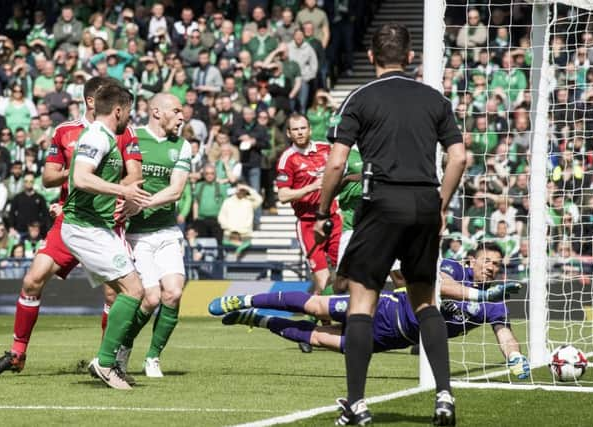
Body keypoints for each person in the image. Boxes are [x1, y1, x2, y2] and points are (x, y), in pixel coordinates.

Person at [313, 23, 466, 425]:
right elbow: (459, 157)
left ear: (371, 57)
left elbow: (335, 163)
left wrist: (322, 209)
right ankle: (445, 396)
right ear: (410, 56)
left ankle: (357, 404)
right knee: (425, 301)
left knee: (362, 301)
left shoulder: (360, 98)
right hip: (423, 202)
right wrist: (441, 203)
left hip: (381, 201)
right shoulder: (435, 98)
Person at [0, 77, 142, 380]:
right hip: (70, 219)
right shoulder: (64, 132)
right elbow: (48, 177)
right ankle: (17, 354)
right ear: (91, 100)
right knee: (33, 279)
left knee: (114, 294)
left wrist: (117, 192)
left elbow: (134, 175)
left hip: (106, 223)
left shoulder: (124, 132)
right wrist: (80, 171)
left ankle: (106, 362)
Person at [209, 244, 529, 381]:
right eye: (487, 260)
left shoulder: (495, 303)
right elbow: (437, 285)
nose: (492, 267)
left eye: (498, 264)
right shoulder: (453, 268)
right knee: (317, 306)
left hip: (393, 339)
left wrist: (514, 358)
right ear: (472, 260)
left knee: (321, 338)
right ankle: (247, 299)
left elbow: (505, 335)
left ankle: (258, 319)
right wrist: (478, 293)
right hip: (385, 310)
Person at [61, 84, 150, 390]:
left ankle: (110, 361)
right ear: (118, 111)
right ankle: (106, 362)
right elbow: (81, 177)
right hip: (83, 227)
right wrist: (122, 190)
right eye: (129, 111)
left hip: (96, 226)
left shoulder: (107, 137)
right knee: (134, 290)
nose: (130, 117)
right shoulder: (98, 136)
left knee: (130, 293)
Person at [116, 93, 191, 378]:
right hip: (136, 235)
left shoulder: (182, 146)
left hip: (167, 230)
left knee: (173, 292)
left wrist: (141, 203)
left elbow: (176, 191)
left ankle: (153, 358)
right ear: (156, 112)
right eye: (177, 110)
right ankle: (123, 346)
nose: (182, 116)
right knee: (150, 298)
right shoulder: (131, 137)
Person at [276, 114, 341, 296]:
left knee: (346, 272)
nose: (300, 132)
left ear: (310, 129)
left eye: (303, 128)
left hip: (334, 218)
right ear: (289, 133)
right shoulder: (288, 159)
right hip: (308, 224)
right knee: (323, 279)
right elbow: (283, 195)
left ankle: (347, 319)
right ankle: (323, 322)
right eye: (295, 129)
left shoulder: (326, 149)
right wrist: (310, 188)